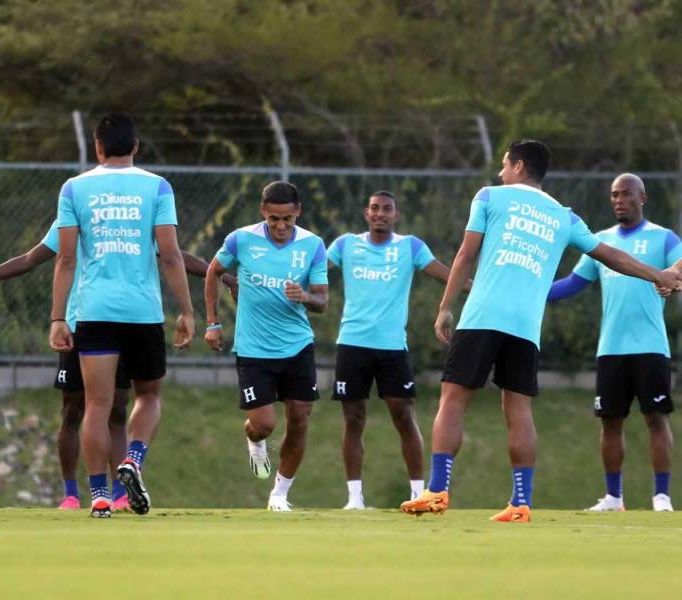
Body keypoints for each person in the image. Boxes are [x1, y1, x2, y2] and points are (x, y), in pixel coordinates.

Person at [400, 140, 682, 523]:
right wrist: (657, 275)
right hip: (526, 326)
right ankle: (520, 502)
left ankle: (437, 491)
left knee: (453, 400)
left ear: (517, 166)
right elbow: (611, 256)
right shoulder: (563, 216)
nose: (500, 172)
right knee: (519, 411)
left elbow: (467, 255)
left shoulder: (489, 196)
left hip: (483, 316)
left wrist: (445, 306)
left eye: (504, 164)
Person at [0, 224, 232, 511]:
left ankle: (118, 493)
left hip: (116, 324)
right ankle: (70, 495)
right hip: (78, 323)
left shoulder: (130, 216)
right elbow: (31, 258)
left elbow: (175, 255)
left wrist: (221, 274)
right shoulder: (77, 215)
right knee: (73, 410)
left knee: (115, 409)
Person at [49, 113, 195, 518]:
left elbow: (64, 258)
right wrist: (186, 309)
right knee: (148, 395)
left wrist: (58, 317)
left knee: (96, 405)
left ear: (97, 146)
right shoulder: (157, 187)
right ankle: (132, 459)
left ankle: (97, 495)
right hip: (142, 311)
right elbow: (169, 254)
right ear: (135, 146)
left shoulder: (74, 188)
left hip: (93, 310)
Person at [327, 191, 470, 509]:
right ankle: (354, 498)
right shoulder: (345, 245)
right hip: (352, 344)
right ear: (366, 213)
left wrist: (477, 287)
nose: (380, 213)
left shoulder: (411, 247)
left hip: (392, 348)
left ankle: (417, 492)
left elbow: (445, 275)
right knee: (353, 419)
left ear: (396, 215)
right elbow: (313, 269)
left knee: (404, 417)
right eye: (374, 208)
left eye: (386, 209)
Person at [548, 173, 680, 512]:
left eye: (626, 194)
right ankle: (613, 497)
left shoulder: (662, 238)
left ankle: (661, 496)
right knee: (610, 422)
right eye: (614, 195)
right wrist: (533, 292)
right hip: (611, 349)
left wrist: (673, 277)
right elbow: (571, 284)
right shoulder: (600, 243)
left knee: (656, 419)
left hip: (651, 346)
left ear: (642, 198)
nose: (619, 200)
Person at [204, 181, 328, 511]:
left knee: (300, 418)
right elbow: (213, 272)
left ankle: (279, 494)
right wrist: (213, 323)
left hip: (298, 346)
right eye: (274, 219)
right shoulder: (240, 239)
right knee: (264, 425)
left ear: (298, 212)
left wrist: (306, 297)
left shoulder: (313, 245)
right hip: (253, 349)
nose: (281, 226)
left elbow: (322, 300)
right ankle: (254, 440)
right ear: (263, 212)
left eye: (287, 218)